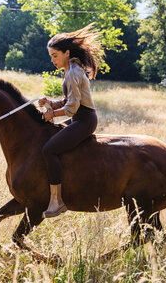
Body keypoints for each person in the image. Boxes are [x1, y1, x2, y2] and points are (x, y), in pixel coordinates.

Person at [39, 23, 102, 218]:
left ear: (66, 53)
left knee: (48, 150)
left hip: (84, 121)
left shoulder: (73, 72)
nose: (52, 60)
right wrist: (50, 103)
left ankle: (57, 202)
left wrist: (52, 114)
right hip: (80, 118)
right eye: (51, 56)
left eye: (55, 55)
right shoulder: (70, 70)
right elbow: (68, 101)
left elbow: (72, 108)